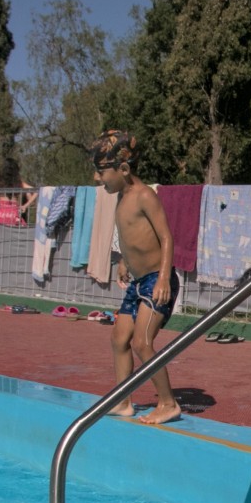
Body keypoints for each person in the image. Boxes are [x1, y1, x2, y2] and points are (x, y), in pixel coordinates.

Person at [91, 131, 181, 425]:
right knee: (119, 339)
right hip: (138, 281)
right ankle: (123, 400)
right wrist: (121, 260)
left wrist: (164, 278)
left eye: (102, 171)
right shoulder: (121, 196)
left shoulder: (144, 195)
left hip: (157, 280)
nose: (97, 178)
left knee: (143, 342)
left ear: (124, 169)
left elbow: (166, 237)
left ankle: (168, 403)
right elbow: (130, 235)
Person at [0, 157, 37, 226]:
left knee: (0, 234)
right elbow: (36, 190)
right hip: (14, 212)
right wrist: (25, 205)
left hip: (1, 212)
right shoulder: (19, 183)